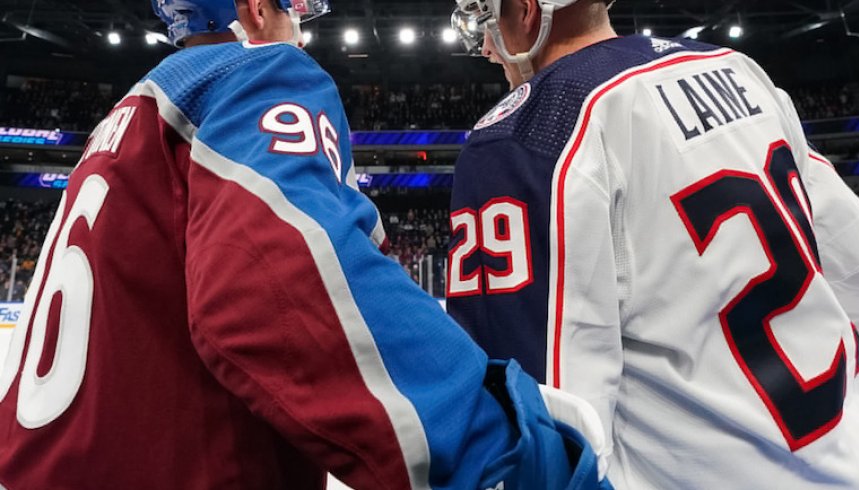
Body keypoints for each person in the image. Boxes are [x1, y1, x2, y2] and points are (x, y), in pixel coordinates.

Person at [0, 0, 613, 488]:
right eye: (297, 13)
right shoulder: (261, 72)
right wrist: (498, 445)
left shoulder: (123, 119)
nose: (303, 34)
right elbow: (274, 288)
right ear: (256, 10)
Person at [447, 0, 859, 488]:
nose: (489, 49)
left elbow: (548, 433)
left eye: (484, 20)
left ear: (525, 11)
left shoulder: (528, 132)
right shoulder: (739, 71)